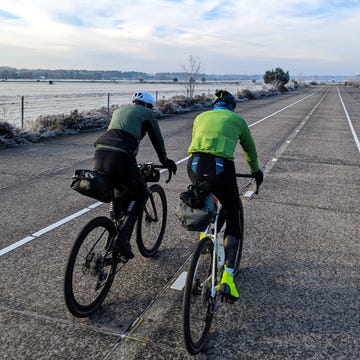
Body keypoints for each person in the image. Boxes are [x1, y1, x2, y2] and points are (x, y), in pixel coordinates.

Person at [187, 90, 263, 301]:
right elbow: (250, 151)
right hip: (220, 167)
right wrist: (256, 171)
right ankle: (228, 278)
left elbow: (197, 140)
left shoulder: (200, 116)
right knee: (232, 213)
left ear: (215, 106)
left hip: (194, 164)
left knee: (205, 195)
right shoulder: (237, 119)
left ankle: (205, 235)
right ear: (231, 107)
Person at [93, 91, 177, 259]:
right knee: (141, 192)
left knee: (119, 191)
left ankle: (113, 231)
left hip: (99, 154)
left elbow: (120, 135)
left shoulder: (119, 111)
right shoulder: (147, 114)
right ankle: (122, 240)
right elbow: (157, 140)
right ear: (147, 106)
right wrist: (166, 161)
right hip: (121, 157)